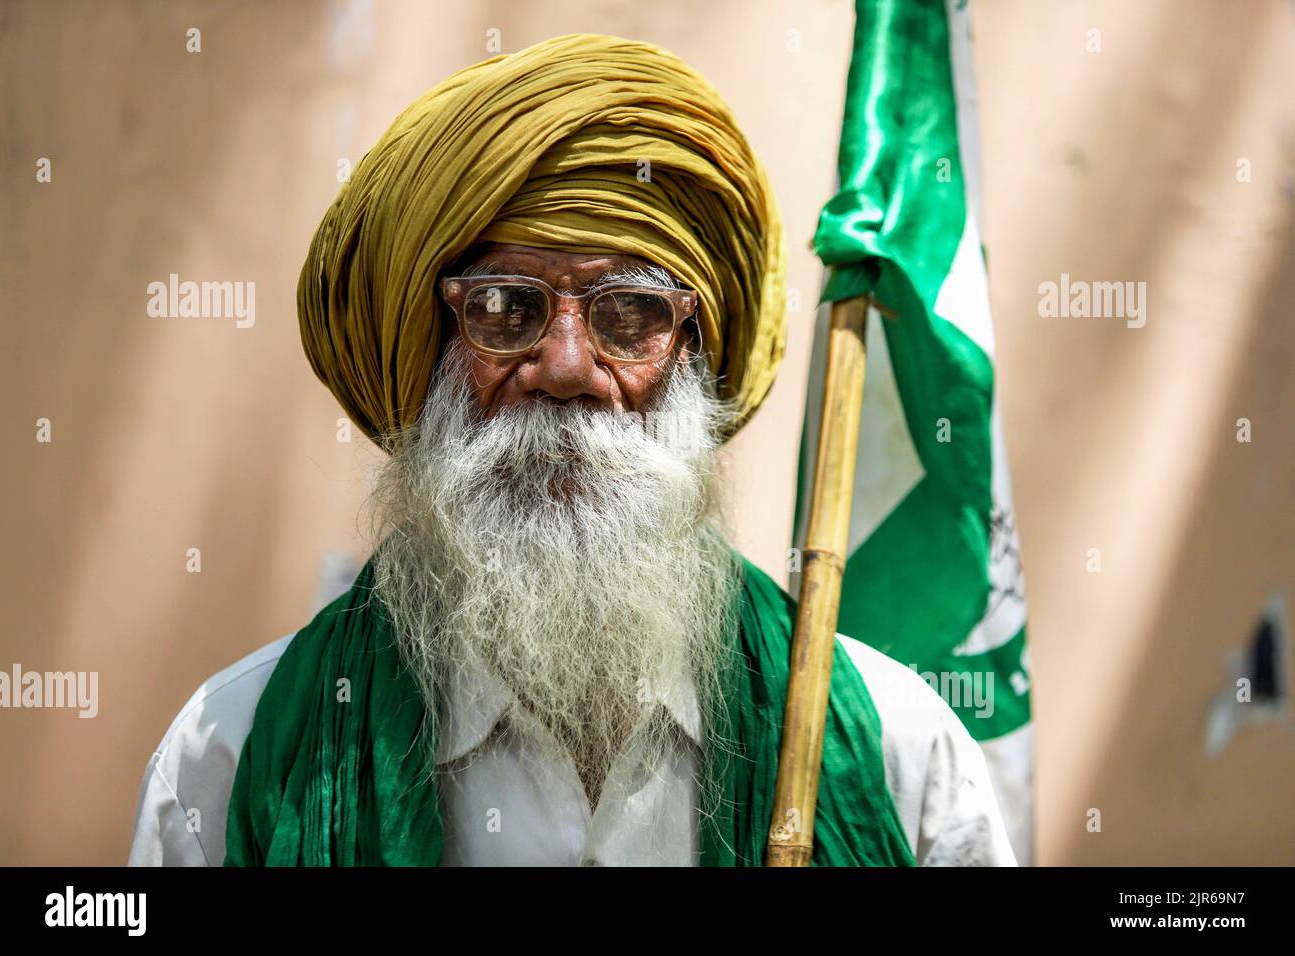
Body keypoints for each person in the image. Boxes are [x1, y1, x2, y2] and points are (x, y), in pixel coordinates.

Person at [127, 33, 1016, 867]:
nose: (564, 369)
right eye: (504, 308)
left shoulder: (903, 763)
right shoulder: (231, 757)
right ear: (425, 352)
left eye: (630, 314)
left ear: (696, 358)